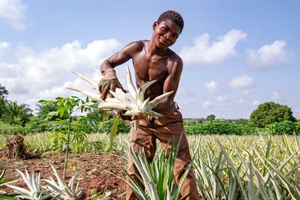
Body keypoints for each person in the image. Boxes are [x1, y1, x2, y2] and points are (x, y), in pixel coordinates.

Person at [98, 10, 201, 200]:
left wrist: (143, 110)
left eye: (174, 36)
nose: (167, 37)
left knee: (181, 166)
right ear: (155, 26)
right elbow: (108, 62)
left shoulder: (174, 62)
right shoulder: (136, 48)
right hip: (141, 119)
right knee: (136, 166)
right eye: (164, 30)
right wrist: (110, 74)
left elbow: (167, 99)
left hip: (166, 118)